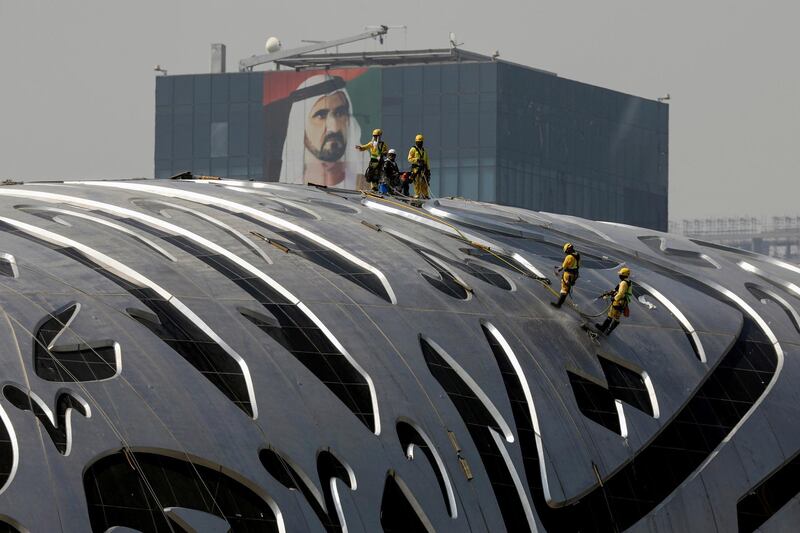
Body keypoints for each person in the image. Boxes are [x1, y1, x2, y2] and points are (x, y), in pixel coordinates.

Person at [279, 74, 367, 189]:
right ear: (301, 129)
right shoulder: (292, 194)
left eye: (340, 113)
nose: (334, 128)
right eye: (321, 115)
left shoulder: (365, 188)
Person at [596, 267, 633, 336]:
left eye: (620, 274)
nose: (619, 275)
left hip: (618, 302)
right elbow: (619, 290)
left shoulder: (623, 283)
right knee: (616, 317)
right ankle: (609, 331)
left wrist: (615, 298)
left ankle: (603, 328)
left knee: (610, 315)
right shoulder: (628, 282)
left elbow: (621, 293)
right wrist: (610, 293)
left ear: (623, 275)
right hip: (623, 303)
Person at [551, 243, 580, 308]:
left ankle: (558, 305)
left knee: (564, 289)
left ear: (567, 250)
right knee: (567, 289)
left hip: (568, 275)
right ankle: (561, 302)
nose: (566, 253)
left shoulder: (569, 257)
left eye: (566, 251)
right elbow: (576, 265)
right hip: (575, 274)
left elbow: (563, 267)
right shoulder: (577, 255)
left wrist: (557, 270)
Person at [407, 133, 431, 199]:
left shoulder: (424, 151)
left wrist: (428, 169)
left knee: (424, 182)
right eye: (418, 142)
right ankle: (417, 194)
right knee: (416, 181)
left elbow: (427, 160)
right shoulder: (413, 149)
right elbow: (409, 158)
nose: (419, 143)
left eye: (420, 142)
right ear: (416, 142)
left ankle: (425, 195)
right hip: (416, 168)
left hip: (423, 168)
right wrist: (417, 160)